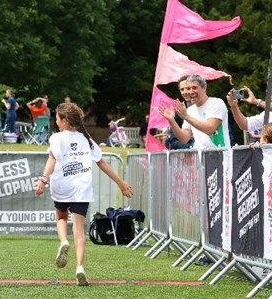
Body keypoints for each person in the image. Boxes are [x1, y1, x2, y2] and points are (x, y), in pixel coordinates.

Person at [35, 102, 133, 286]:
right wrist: (120, 183)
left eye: (57, 118)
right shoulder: (86, 139)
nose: (56, 121)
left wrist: (43, 179)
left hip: (62, 186)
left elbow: (52, 160)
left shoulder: (56, 138)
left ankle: (63, 241)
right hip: (81, 188)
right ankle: (79, 267)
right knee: (79, 229)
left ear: (64, 120)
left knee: (61, 218)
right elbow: (102, 163)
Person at [158, 74, 231, 149]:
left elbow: (210, 129)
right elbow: (184, 139)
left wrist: (186, 116)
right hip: (200, 155)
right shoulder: (190, 110)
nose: (191, 92)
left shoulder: (216, 103)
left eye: (194, 88)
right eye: (188, 88)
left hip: (220, 154)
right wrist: (171, 121)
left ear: (204, 87)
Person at [154, 76, 195, 150]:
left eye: (188, 88)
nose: (185, 92)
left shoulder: (207, 108)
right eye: (182, 89)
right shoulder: (178, 113)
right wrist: (190, 147)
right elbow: (173, 140)